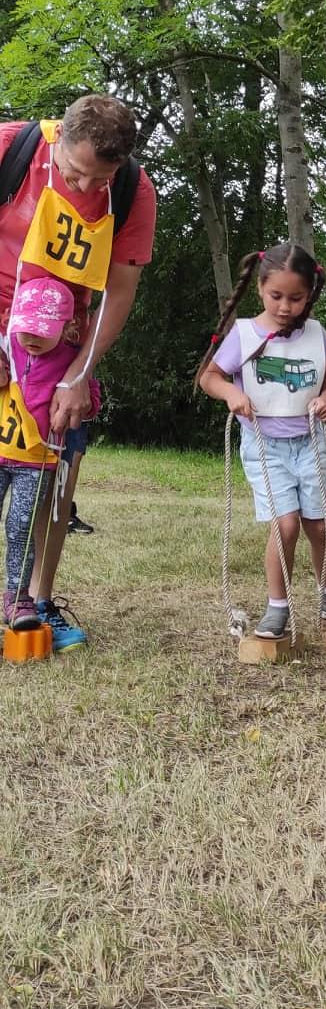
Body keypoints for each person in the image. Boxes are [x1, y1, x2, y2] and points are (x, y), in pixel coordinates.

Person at [0, 96, 156, 649]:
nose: (87, 189)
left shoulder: (134, 191)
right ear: (57, 138)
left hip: (64, 346)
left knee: (55, 476)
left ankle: (37, 603)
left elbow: (120, 291)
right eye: (74, 173)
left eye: (101, 179)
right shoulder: (11, 150)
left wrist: (78, 373)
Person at [197, 242, 326, 640]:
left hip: (311, 442)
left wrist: (325, 400)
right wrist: (233, 395)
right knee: (285, 525)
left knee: (319, 524)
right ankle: (277, 607)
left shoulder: (316, 334)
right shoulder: (244, 334)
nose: (285, 306)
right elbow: (209, 378)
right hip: (265, 446)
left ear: (310, 295)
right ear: (260, 289)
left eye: (296, 298)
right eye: (276, 296)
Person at [0, 276, 101, 646]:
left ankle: (20, 600)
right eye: (26, 327)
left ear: (69, 328)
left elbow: (88, 399)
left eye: (43, 331)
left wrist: (84, 396)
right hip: (1, 452)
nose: (32, 338)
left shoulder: (71, 361)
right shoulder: (8, 345)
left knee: (21, 528)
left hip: (36, 464)